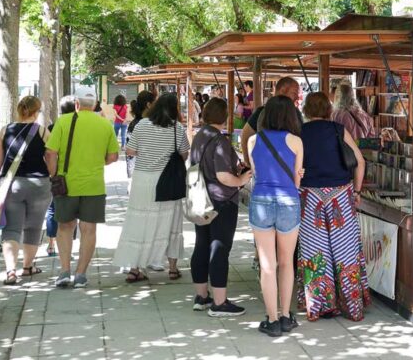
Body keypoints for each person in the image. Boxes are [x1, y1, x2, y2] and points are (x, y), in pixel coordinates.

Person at [297, 92, 370, 321]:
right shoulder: (338, 130)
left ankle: (320, 305)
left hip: (310, 198)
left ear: (306, 110)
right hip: (341, 196)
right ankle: (351, 305)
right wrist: (357, 191)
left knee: (314, 252)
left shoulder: (298, 133)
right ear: (329, 110)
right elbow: (359, 161)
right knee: (346, 251)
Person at [45, 92, 119, 288]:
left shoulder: (63, 121)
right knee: (89, 229)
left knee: (64, 227)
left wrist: (53, 174)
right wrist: (96, 162)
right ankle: (81, 274)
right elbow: (113, 157)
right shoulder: (104, 124)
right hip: (94, 184)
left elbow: (51, 152)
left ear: (77, 104)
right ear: (95, 105)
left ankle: (64, 271)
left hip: (67, 184)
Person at [113, 93, 189, 283]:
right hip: (168, 182)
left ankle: (134, 268)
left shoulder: (142, 125)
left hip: (142, 180)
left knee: (139, 223)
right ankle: (172, 268)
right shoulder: (177, 128)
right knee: (171, 223)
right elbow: (184, 154)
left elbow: (130, 150)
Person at [247, 95, 304, 337]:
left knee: (267, 265)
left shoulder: (252, 141)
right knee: (286, 262)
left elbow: (256, 172)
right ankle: (285, 315)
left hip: (261, 200)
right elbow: (297, 178)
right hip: (289, 201)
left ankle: (271, 320)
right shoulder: (296, 142)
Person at [190, 98, 253, 316]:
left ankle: (202, 295)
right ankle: (219, 302)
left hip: (200, 198)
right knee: (219, 248)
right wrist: (242, 179)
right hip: (220, 201)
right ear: (225, 116)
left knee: (202, 245)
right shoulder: (220, 140)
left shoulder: (199, 136)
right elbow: (224, 176)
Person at [0, 96, 52, 284]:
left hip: (11, 184)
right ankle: (27, 266)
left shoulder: (4, 131)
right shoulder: (42, 132)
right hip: (39, 184)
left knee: (11, 229)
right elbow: (50, 155)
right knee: (33, 227)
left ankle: (10, 271)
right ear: (36, 111)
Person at [44, 96, 79, 257]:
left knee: (53, 209)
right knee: (71, 212)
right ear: (76, 108)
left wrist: (53, 174)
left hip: (56, 174)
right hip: (76, 174)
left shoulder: (52, 127)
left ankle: (51, 244)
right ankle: (67, 248)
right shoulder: (81, 126)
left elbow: (49, 153)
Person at [241, 77, 302, 168]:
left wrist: (249, 164)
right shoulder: (261, 112)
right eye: (294, 93)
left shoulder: (296, 113)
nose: (297, 97)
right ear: (282, 90)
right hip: (286, 169)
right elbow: (245, 135)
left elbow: (245, 136)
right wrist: (248, 163)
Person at [126, 91, 156, 179]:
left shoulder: (134, 123)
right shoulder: (147, 124)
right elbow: (131, 151)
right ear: (148, 105)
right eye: (155, 103)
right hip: (143, 171)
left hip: (135, 170)